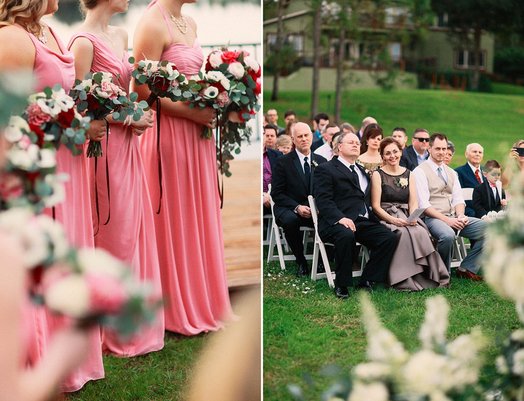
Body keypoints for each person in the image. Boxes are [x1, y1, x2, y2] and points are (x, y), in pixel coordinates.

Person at [0, 0, 104, 391]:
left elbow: (61, 94)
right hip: (40, 165)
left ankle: (69, 359)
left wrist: (81, 118)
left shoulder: (49, 31)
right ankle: (39, 360)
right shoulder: (10, 38)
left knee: (68, 252)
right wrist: (63, 125)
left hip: (69, 163)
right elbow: (7, 115)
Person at [69, 0, 165, 356]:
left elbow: (123, 93)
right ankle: (107, 330)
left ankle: (132, 320)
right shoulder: (81, 42)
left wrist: (135, 113)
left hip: (127, 148)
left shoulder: (121, 35)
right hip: (101, 150)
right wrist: (126, 118)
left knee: (132, 228)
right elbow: (77, 106)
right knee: (112, 232)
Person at [133, 0, 232, 335]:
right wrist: (192, 113)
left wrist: (215, 98)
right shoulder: (151, 23)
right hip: (170, 134)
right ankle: (173, 307)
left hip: (197, 137)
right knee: (175, 215)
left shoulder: (189, 21)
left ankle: (202, 301)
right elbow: (142, 90)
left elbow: (194, 78)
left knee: (197, 214)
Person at [314, 132, 399, 299]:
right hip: (335, 222)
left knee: (389, 238)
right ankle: (342, 284)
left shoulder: (360, 169)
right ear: (339, 147)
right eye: (350, 142)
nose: (355, 145)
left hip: (361, 221)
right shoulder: (325, 169)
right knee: (346, 235)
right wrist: (340, 218)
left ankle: (367, 279)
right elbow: (323, 201)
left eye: (357, 143)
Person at [371, 138, 449, 290]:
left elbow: (413, 202)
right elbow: (375, 206)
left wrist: (412, 217)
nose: (392, 156)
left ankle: (426, 275)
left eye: (395, 151)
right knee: (401, 233)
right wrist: (393, 220)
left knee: (420, 231)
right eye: (387, 153)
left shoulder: (409, 174)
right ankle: (403, 279)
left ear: (400, 152)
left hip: (406, 214)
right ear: (382, 156)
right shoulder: (377, 175)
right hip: (386, 215)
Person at [412, 133, 486, 281]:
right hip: (432, 218)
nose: (442, 152)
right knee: (447, 235)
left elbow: (458, 199)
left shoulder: (451, 172)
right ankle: (441, 273)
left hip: (454, 217)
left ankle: (466, 268)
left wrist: (460, 215)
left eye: (444, 149)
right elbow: (424, 205)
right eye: (438, 148)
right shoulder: (419, 171)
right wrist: (448, 220)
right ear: (429, 149)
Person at [271, 122, 327, 276]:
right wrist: (297, 207)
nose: (304, 139)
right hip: (289, 207)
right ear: (293, 139)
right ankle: (301, 261)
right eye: (300, 136)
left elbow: (326, 190)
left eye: (306, 135)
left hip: (315, 209)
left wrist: (319, 207)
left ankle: (322, 260)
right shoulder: (283, 162)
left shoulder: (321, 161)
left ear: (311, 136)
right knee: (290, 220)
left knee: (329, 218)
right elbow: (277, 193)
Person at [455, 143, 484, 217]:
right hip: (471, 215)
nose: (477, 154)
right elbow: (459, 200)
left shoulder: (488, 172)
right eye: (474, 151)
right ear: (466, 154)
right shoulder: (458, 173)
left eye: (480, 152)